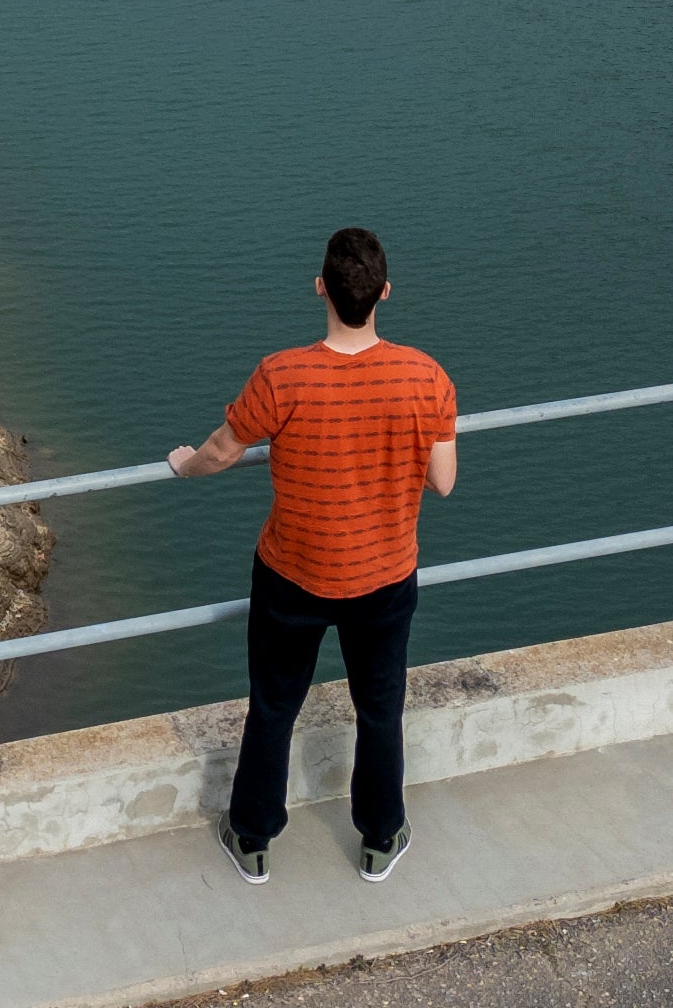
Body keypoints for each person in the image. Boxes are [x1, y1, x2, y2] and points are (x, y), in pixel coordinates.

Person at [169, 227, 458, 885]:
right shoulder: (426, 376)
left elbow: (220, 450)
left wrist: (185, 468)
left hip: (292, 575)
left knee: (275, 705)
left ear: (322, 287)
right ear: (384, 293)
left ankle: (252, 838)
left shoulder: (283, 374)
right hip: (384, 577)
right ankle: (381, 838)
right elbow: (443, 481)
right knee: (380, 709)